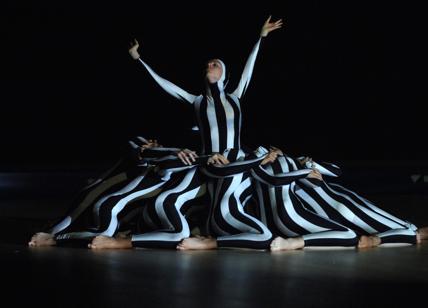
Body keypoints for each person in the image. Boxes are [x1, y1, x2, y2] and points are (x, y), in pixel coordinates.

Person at [28, 138, 200, 247]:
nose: (153, 145)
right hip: (98, 202)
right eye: (152, 143)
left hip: (107, 208)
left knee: (93, 227)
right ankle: (54, 237)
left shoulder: (156, 169)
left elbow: (170, 161)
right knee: (91, 228)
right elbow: (140, 149)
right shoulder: (139, 156)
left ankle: (54, 235)